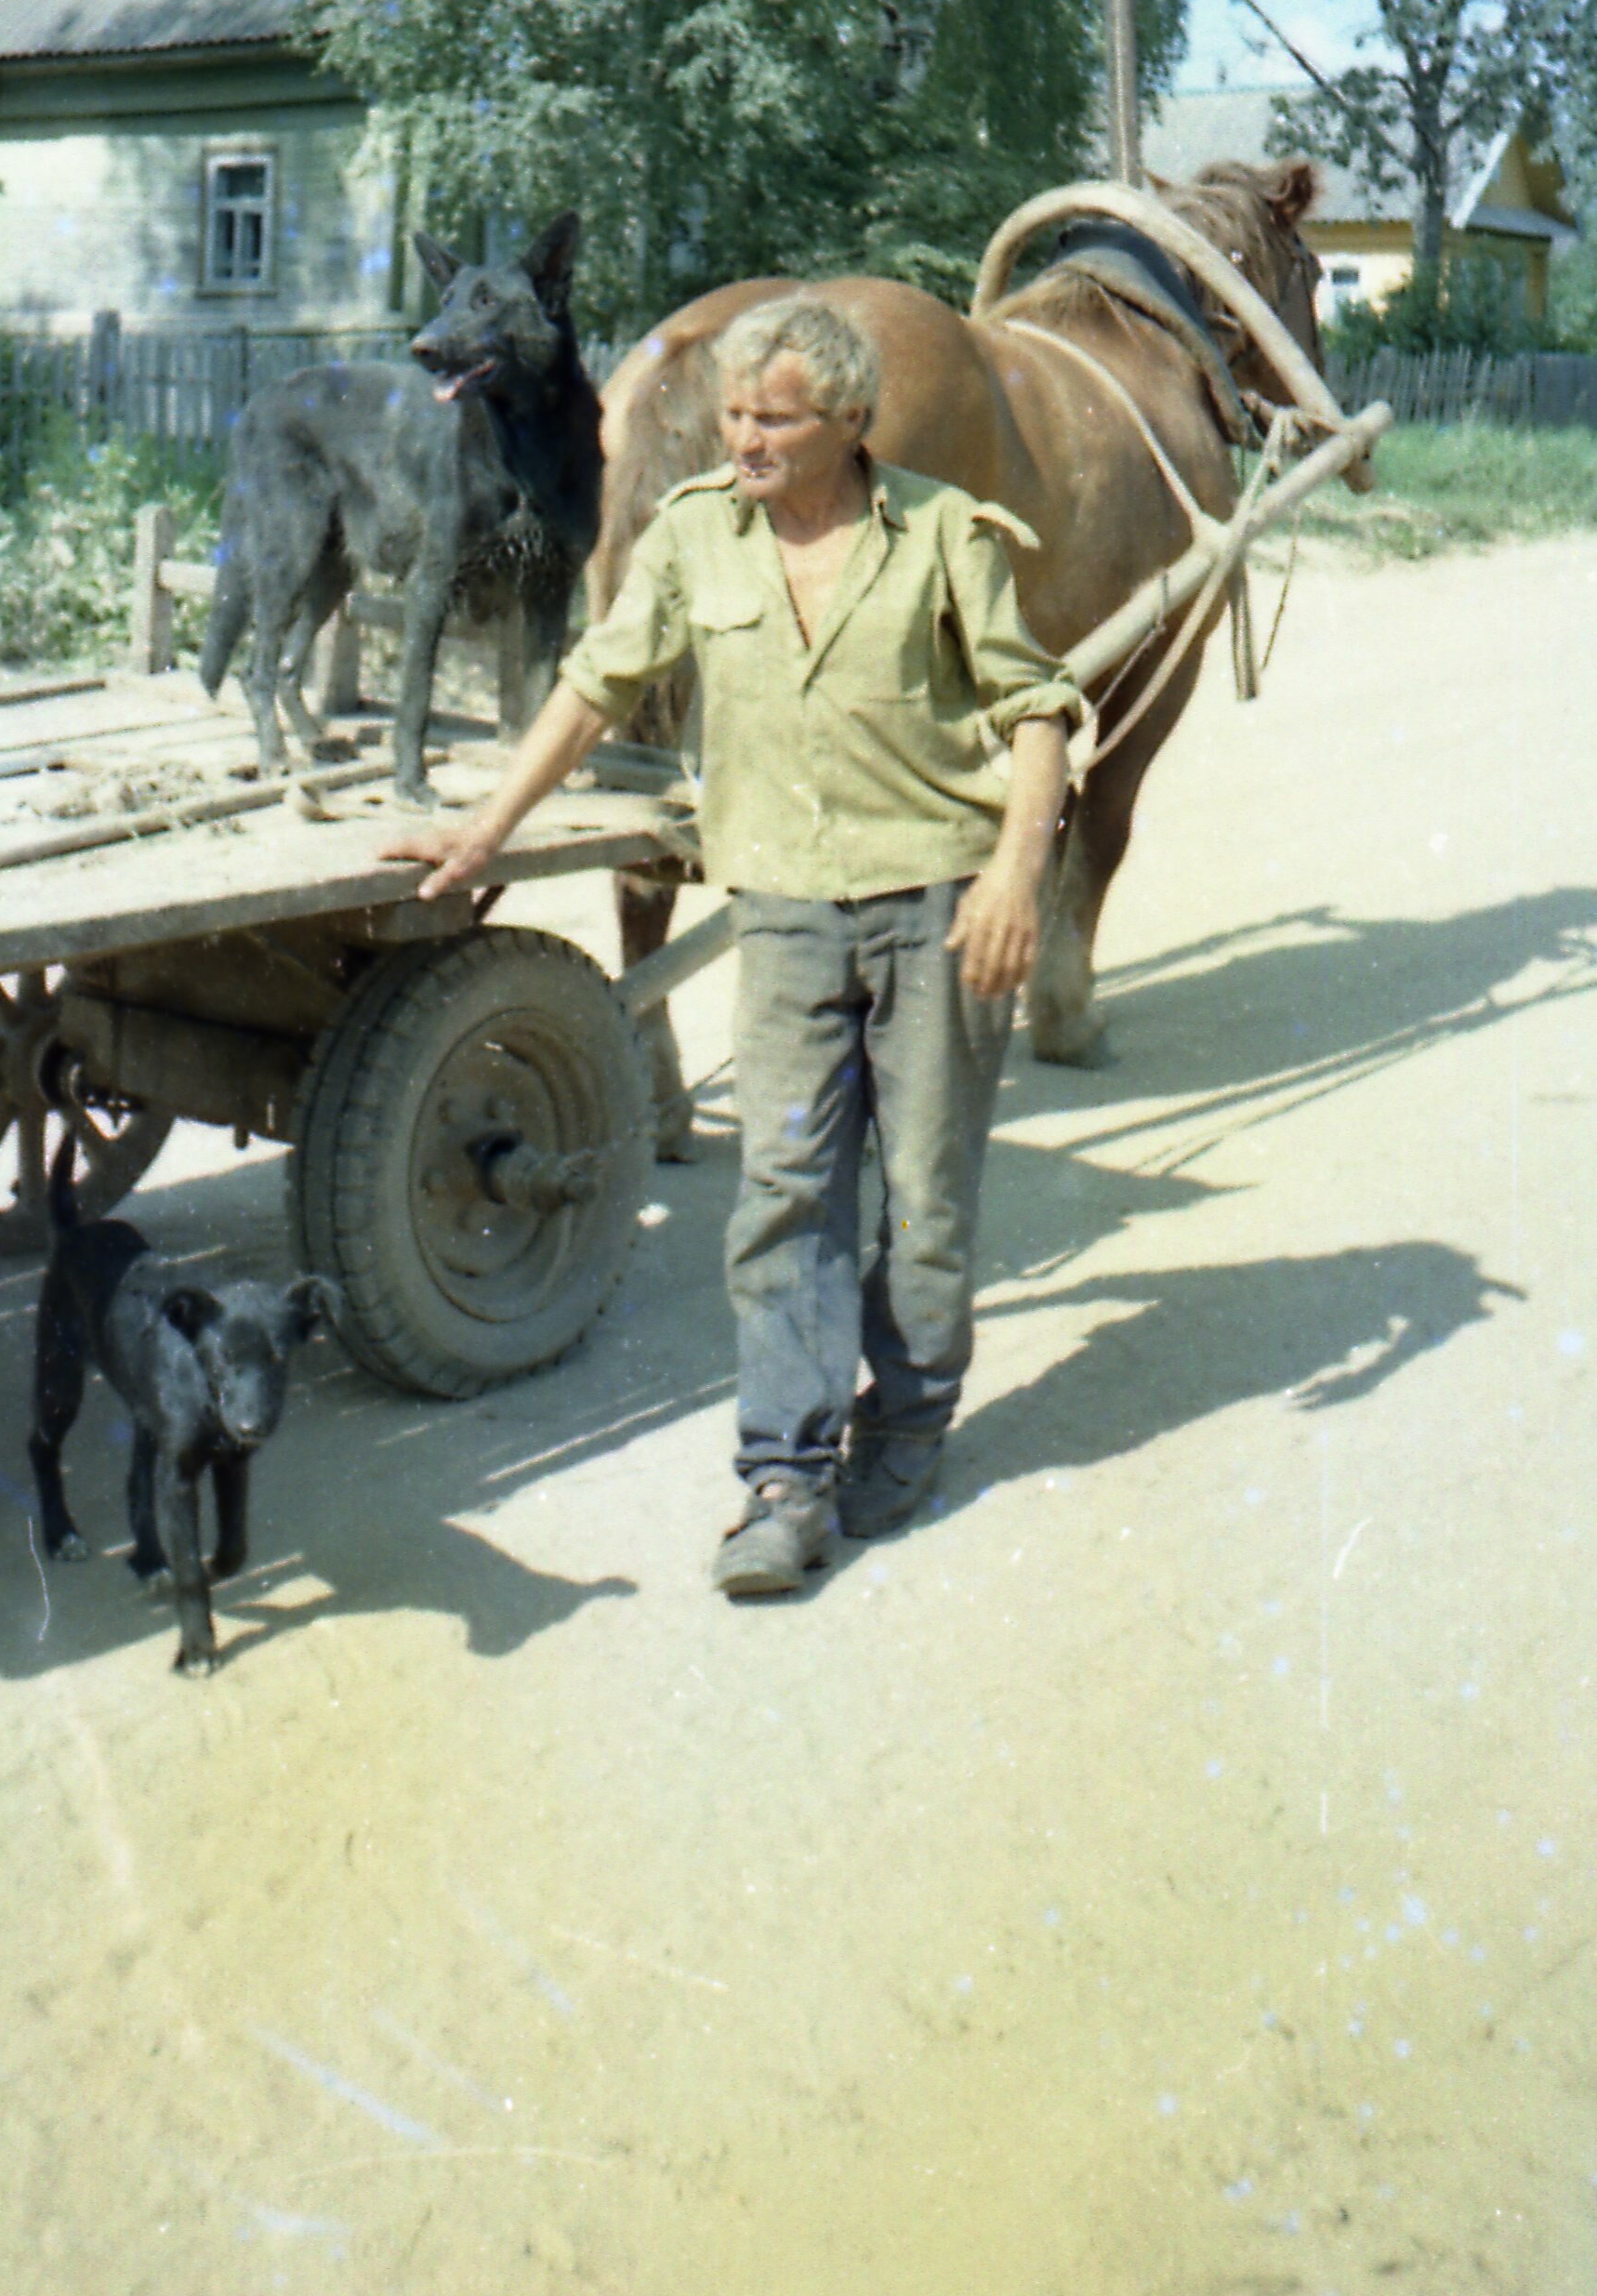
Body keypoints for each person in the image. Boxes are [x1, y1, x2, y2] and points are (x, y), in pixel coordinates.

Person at [385, 294, 1086, 1594]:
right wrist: (485, 826)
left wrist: (1015, 878)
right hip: (786, 911)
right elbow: (595, 685)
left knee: (923, 1197)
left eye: (774, 419)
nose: (743, 439)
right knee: (785, 1193)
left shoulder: (943, 530)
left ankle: (909, 1423)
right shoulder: (697, 533)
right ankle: (785, 1477)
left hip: (935, 903)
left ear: (852, 420)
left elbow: (1038, 711)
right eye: (734, 416)